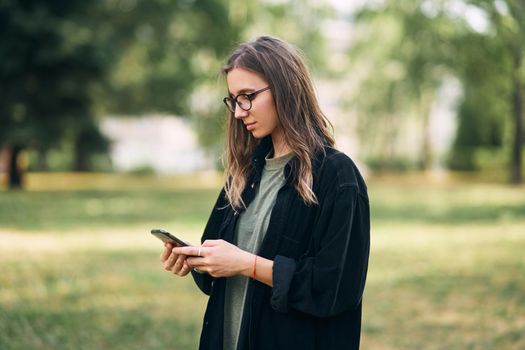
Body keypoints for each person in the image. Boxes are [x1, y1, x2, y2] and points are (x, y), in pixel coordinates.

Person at [159, 35, 370, 350]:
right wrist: (196, 261)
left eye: (247, 96)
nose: (239, 112)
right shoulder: (243, 174)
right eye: (233, 99)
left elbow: (336, 288)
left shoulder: (337, 177)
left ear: (285, 88)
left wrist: (247, 264)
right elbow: (221, 265)